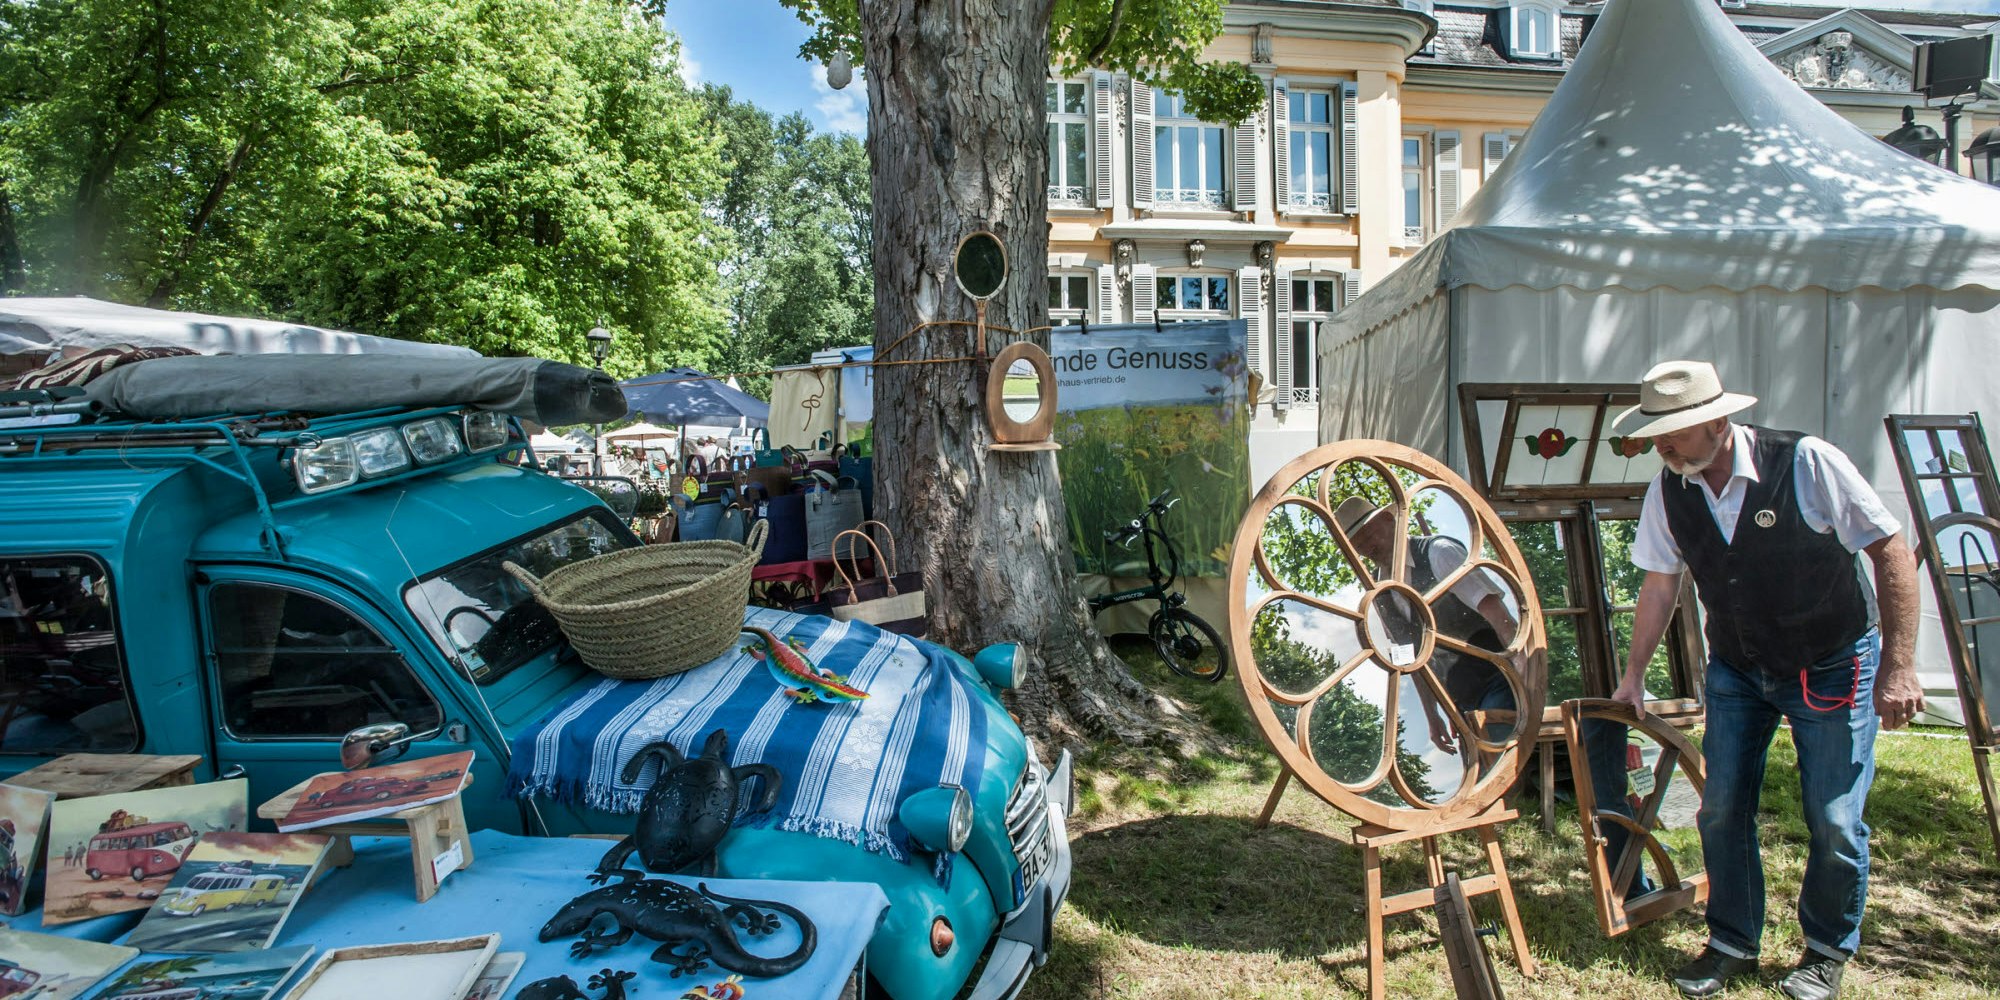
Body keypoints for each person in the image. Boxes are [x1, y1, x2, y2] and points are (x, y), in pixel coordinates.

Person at [1608, 360, 1921, 1000]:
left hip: (1832, 659)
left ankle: (1825, 951)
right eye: (1655, 433)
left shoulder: (1807, 463)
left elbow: (1889, 549)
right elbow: (1661, 584)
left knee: (1834, 818)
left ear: (1718, 422)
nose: (1662, 445)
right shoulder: (1669, 489)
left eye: (1674, 431)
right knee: (1721, 807)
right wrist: (1633, 676)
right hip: (1738, 667)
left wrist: (1900, 665)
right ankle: (1732, 943)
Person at [1333, 496, 1522, 751]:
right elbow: (1411, 658)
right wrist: (1434, 715)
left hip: (1497, 680)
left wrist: (1524, 674)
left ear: (1389, 519)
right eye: (1357, 544)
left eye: (1367, 535)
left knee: (1507, 762)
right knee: (1485, 768)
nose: (1366, 548)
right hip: (1460, 702)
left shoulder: (1440, 553)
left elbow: (1498, 615)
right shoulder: (1380, 595)